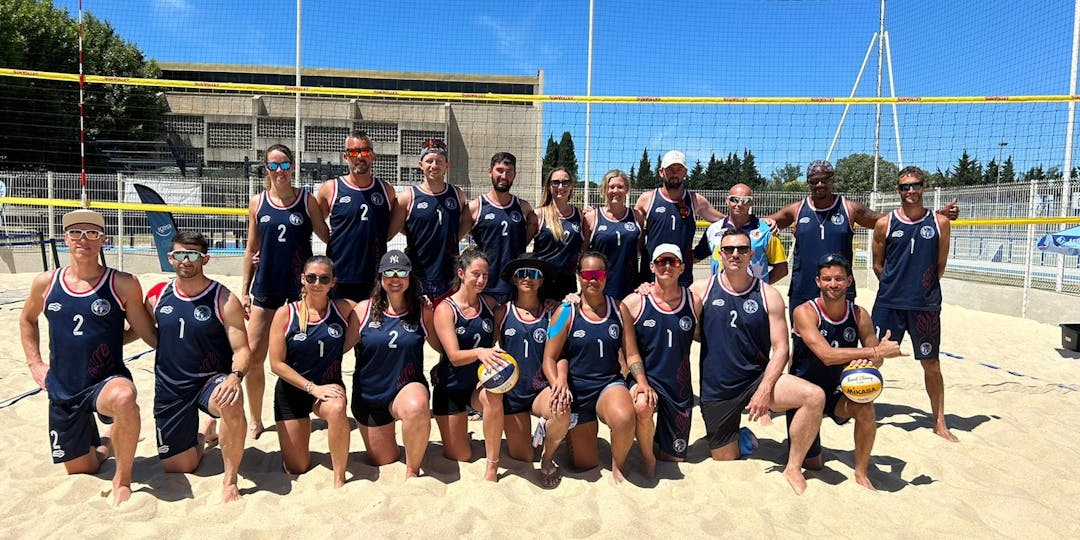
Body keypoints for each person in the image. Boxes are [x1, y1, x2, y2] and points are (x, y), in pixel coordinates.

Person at [20, 209, 157, 506]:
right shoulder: (46, 283)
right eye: (76, 233)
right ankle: (108, 441)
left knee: (124, 397)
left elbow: (145, 332)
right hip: (65, 385)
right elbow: (27, 320)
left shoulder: (122, 283)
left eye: (92, 233)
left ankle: (122, 480)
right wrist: (35, 363)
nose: (84, 239)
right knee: (84, 467)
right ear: (65, 239)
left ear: (103, 240)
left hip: (104, 380)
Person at [690, 228, 825, 495]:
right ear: (720, 253)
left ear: (752, 254)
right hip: (717, 387)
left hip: (757, 380)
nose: (735, 254)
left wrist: (764, 390)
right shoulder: (700, 290)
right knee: (723, 457)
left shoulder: (768, 294)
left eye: (742, 249)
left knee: (814, 396)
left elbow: (782, 348)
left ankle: (793, 466)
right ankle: (742, 438)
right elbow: (680, 320)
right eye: (729, 249)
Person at [768, 159, 958, 315]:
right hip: (804, 288)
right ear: (808, 183)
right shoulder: (797, 209)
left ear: (832, 180)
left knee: (842, 346)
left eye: (825, 179)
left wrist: (936, 214)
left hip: (840, 289)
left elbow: (893, 221)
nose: (820, 184)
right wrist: (767, 223)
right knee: (801, 348)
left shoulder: (850, 208)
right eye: (814, 180)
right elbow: (763, 224)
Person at [145, 231, 250, 502]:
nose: (186, 261)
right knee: (180, 466)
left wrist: (235, 376)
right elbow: (139, 330)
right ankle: (205, 431)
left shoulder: (223, 299)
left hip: (209, 381)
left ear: (205, 259)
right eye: (180, 255)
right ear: (170, 258)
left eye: (193, 255)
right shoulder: (158, 294)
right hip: (171, 386)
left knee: (231, 401)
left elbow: (242, 349)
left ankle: (230, 479)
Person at [789, 253, 903, 491]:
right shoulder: (805, 312)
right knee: (814, 465)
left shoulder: (859, 314)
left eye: (839, 279)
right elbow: (827, 355)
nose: (833, 284)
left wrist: (871, 361)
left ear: (849, 281)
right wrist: (872, 352)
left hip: (838, 391)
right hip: (804, 393)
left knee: (866, 408)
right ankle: (794, 463)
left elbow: (876, 360)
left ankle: (861, 473)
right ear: (818, 282)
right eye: (827, 278)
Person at [543, 251, 655, 483]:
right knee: (585, 464)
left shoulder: (619, 308)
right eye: (587, 274)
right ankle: (562, 443)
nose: (593, 279)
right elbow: (549, 358)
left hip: (608, 383)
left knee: (624, 419)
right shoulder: (565, 312)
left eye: (599, 274)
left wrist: (642, 382)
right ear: (579, 276)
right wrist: (557, 385)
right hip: (577, 389)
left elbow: (631, 353)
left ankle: (618, 465)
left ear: (606, 276)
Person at [242, 144, 330, 438]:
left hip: (298, 290)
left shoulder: (306, 201)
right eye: (273, 166)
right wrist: (244, 290)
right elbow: (251, 249)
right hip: (266, 287)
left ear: (293, 166)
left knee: (302, 352)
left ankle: (312, 407)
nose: (279, 171)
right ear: (266, 168)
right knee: (255, 356)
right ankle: (256, 418)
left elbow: (328, 237)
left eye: (284, 165)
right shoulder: (257, 202)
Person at [872, 166, 957, 442]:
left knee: (931, 363)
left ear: (924, 187)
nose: (910, 190)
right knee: (873, 358)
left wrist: (921, 287)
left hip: (925, 306)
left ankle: (939, 422)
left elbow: (940, 265)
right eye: (905, 186)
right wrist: (895, 286)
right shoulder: (885, 223)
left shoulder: (940, 223)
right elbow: (877, 264)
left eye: (916, 185)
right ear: (898, 190)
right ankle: (858, 409)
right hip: (889, 303)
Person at [268, 256, 359, 488]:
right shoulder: (286, 314)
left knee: (338, 407)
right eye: (311, 277)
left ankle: (339, 476)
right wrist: (311, 388)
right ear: (302, 279)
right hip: (293, 391)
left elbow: (374, 310)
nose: (317, 283)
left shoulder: (343, 308)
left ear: (333, 282)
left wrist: (345, 346)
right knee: (297, 466)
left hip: (327, 386)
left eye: (324, 278)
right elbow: (276, 364)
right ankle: (299, 437)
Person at [351, 250, 439, 480]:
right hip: (370, 396)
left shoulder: (422, 310)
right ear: (380, 277)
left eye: (401, 272)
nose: (395, 278)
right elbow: (335, 349)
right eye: (388, 272)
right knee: (384, 459)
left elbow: (443, 347)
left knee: (418, 405)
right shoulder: (363, 310)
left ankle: (412, 471)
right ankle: (401, 439)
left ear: (410, 277)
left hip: (404, 388)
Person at [431, 248, 508, 482]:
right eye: (476, 274)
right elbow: (453, 356)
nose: (482, 280)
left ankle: (492, 466)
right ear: (461, 273)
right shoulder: (446, 308)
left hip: (476, 386)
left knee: (493, 394)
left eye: (485, 275)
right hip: (451, 387)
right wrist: (480, 352)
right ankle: (460, 429)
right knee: (461, 456)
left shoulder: (490, 304)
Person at [498, 253, 572, 487]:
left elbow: (561, 355)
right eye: (522, 274)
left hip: (540, 389)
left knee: (561, 408)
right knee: (524, 455)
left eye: (534, 274)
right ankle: (542, 432)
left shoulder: (555, 314)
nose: (527, 278)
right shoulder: (502, 312)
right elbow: (486, 348)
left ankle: (548, 458)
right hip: (512, 392)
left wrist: (561, 380)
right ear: (514, 280)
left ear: (541, 281)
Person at [623, 243, 696, 479]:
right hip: (646, 377)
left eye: (673, 262)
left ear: (682, 267)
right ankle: (647, 458)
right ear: (652, 266)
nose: (667, 266)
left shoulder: (694, 301)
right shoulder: (634, 302)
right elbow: (620, 343)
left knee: (674, 457)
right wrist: (634, 378)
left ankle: (655, 444)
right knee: (643, 406)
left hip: (678, 385)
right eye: (662, 262)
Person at [317, 130, 397, 302]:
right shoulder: (331, 188)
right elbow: (316, 223)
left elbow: (392, 227)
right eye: (353, 152)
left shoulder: (386, 189)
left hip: (374, 274)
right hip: (340, 274)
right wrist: (333, 241)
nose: (359, 156)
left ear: (373, 156)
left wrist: (379, 238)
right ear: (346, 156)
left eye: (365, 151)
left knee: (371, 325)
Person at [388, 138, 470, 303]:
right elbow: (394, 231)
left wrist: (450, 239)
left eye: (439, 161)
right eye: (429, 161)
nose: (434, 165)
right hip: (418, 274)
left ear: (447, 165)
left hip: (449, 274)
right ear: (421, 165)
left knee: (444, 321)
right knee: (417, 322)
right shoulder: (407, 197)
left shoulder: (457, 194)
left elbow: (462, 226)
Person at [634, 150, 727, 287]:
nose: (675, 173)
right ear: (661, 172)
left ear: (685, 173)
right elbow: (632, 231)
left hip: (682, 274)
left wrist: (701, 252)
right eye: (670, 169)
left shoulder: (695, 200)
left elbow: (724, 222)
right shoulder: (647, 199)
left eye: (679, 169)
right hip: (652, 274)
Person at [468, 152, 539, 304]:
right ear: (490, 172)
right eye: (500, 170)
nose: (504, 176)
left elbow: (531, 230)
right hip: (485, 284)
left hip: (515, 286)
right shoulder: (476, 207)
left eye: (509, 172)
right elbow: (456, 236)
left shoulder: (523, 207)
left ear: (514, 175)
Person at [694, 183, 787, 283]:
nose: (739, 204)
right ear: (727, 201)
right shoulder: (713, 229)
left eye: (745, 200)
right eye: (734, 199)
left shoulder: (766, 231)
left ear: (752, 202)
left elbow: (781, 269)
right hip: (720, 295)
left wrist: (759, 287)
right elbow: (695, 257)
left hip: (753, 297)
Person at [583, 169, 644, 299]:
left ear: (627, 190)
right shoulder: (592, 217)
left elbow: (639, 249)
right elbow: (583, 253)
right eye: (611, 187)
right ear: (605, 190)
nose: (615, 191)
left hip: (630, 287)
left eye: (620, 187)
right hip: (600, 287)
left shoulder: (637, 216)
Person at [532, 167, 585, 300]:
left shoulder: (580, 215)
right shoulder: (538, 214)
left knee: (563, 320)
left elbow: (583, 249)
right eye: (555, 182)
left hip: (568, 286)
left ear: (571, 186)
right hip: (542, 285)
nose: (560, 186)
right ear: (549, 187)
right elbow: (522, 248)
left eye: (565, 182)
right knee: (545, 321)